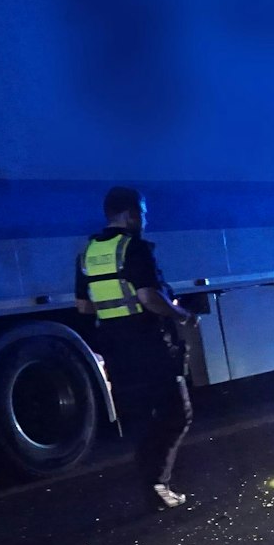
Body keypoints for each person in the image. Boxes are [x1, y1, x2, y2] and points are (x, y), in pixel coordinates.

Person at [75, 186, 199, 510]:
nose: (143, 220)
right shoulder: (135, 248)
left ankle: (154, 487)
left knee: (143, 420)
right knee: (178, 412)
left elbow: (84, 307)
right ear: (130, 214)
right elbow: (149, 297)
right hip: (148, 345)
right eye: (142, 214)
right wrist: (182, 316)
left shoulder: (87, 254)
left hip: (116, 349)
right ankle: (157, 484)